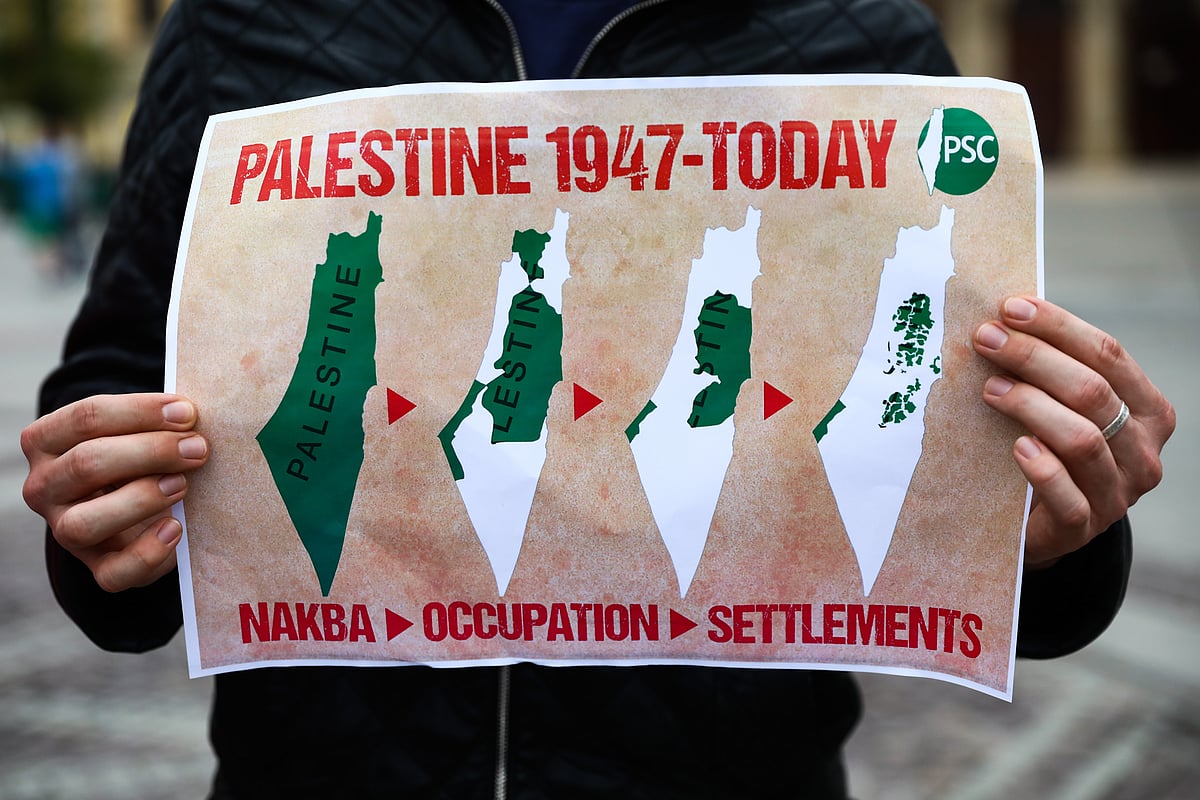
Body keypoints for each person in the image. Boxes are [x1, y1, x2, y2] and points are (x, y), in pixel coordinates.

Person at [19, 1, 1175, 797]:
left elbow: (966, 435)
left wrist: (1069, 522)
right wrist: (99, 511)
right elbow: (121, 373)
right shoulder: (242, 25)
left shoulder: (864, 37)